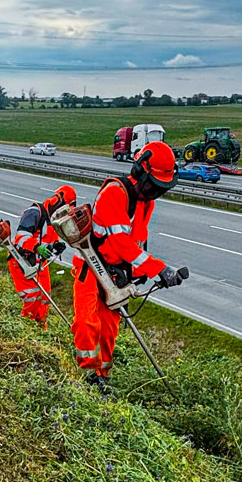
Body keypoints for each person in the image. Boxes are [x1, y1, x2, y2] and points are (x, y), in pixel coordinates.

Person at [71, 142, 184, 392]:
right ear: (140, 172)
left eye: (161, 188)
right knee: (86, 323)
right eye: (154, 185)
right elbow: (119, 243)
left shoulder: (146, 202)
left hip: (115, 273)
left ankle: (103, 375)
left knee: (109, 330)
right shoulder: (115, 192)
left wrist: (139, 273)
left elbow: (137, 242)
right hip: (92, 266)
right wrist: (158, 269)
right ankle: (87, 376)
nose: (156, 192)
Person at [8, 185, 77, 327]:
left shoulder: (54, 220)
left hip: (39, 262)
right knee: (32, 297)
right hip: (22, 260)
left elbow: (48, 241)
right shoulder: (35, 212)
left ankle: (40, 326)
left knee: (45, 297)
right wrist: (37, 247)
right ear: (56, 201)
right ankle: (27, 326)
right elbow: (20, 237)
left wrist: (55, 247)